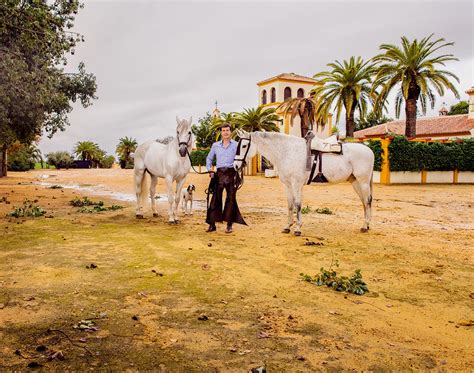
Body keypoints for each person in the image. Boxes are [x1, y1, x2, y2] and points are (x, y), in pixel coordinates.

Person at [205, 123, 246, 233]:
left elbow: (241, 158)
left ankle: (229, 225)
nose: (225, 132)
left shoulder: (236, 145)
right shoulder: (215, 145)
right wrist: (210, 169)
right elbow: (209, 158)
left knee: (231, 199)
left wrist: (239, 170)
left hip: (231, 173)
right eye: (223, 130)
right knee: (215, 198)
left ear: (230, 132)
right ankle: (212, 224)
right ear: (221, 132)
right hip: (218, 174)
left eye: (227, 130)